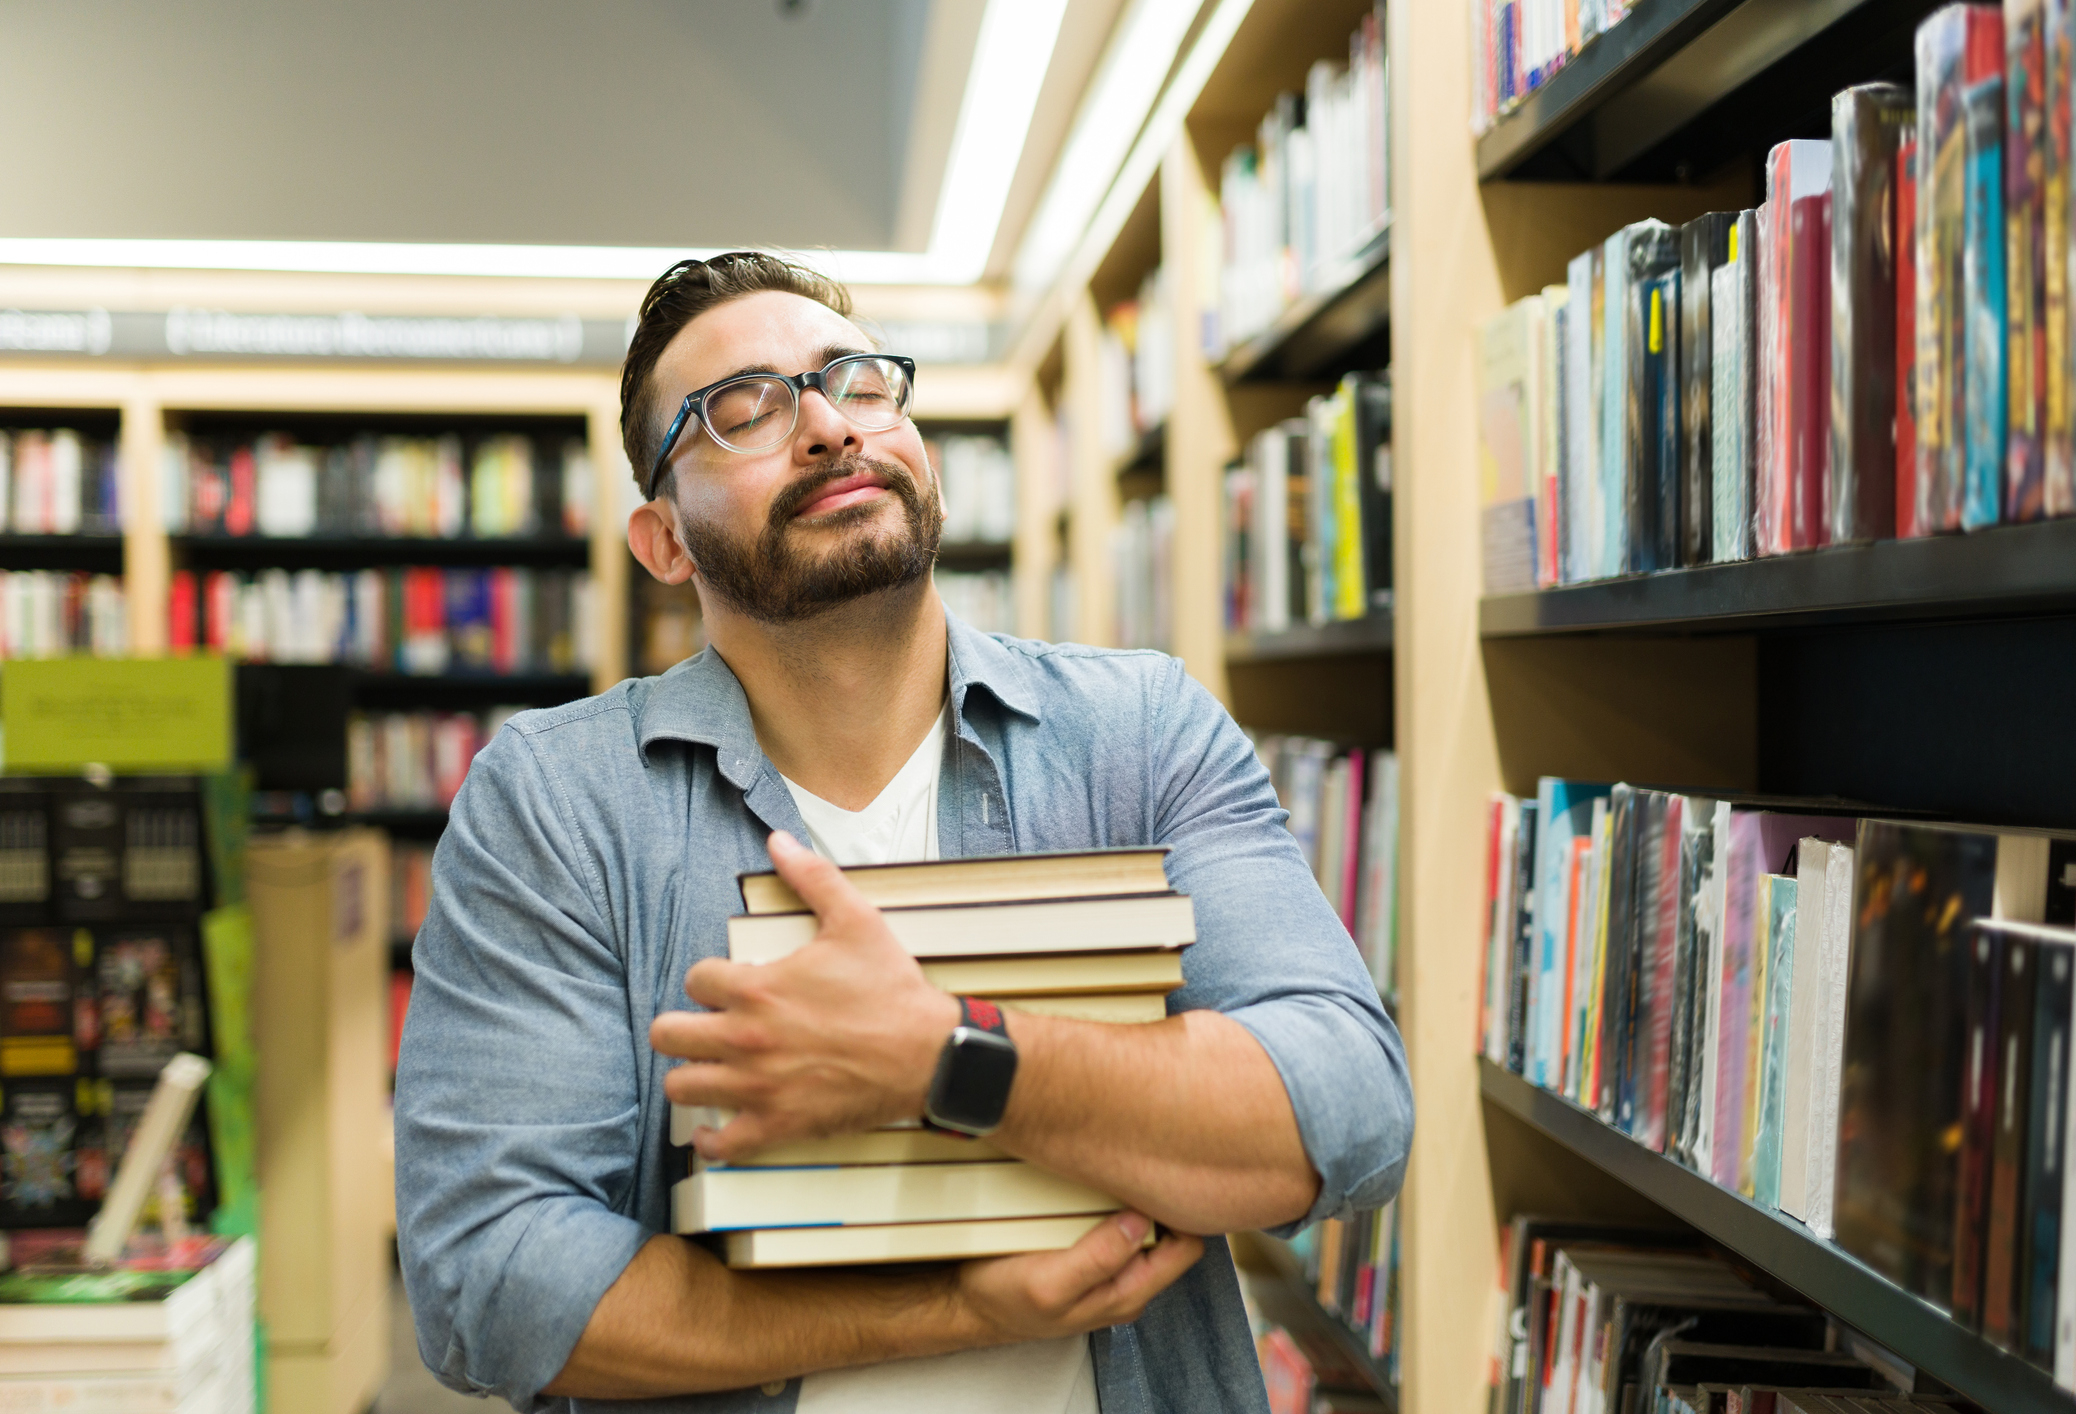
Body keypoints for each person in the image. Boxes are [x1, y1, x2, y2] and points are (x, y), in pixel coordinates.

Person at [394, 251, 1411, 1414]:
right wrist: (960, 1308)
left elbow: (1347, 1114)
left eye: (857, 381)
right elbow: (486, 1278)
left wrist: (942, 1054)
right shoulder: (557, 798)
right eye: (743, 408)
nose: (826, 425)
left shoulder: (1141, 727)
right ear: (663, 542)